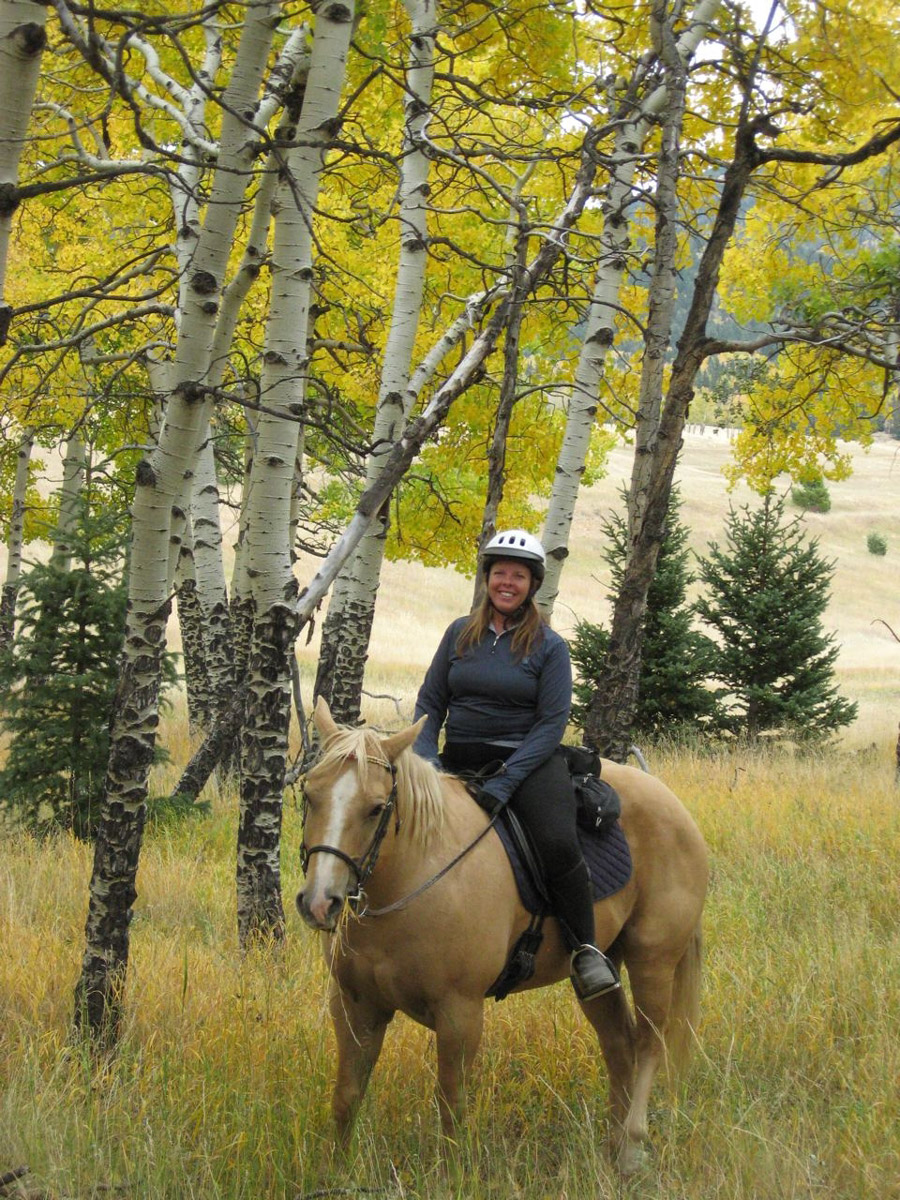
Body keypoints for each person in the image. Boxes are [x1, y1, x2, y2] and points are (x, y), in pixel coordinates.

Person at [413, 529, 620, 1001]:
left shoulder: (549, 646)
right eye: (500, 572)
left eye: (519, 576)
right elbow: (430, 702)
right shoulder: (457, 634)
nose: (507, 582)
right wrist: (426, 762)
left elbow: (551, 724)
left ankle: (585, 950)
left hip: (527, 761)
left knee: (556, 841)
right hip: (458, 758)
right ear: (487, 578)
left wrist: (507, 782)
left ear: (533, 584)